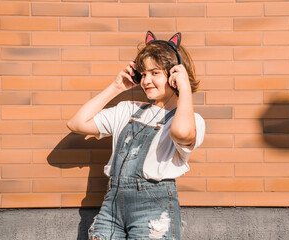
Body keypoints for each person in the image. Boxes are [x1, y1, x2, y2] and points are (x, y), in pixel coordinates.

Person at [67, 31, 205, 240]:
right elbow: (76, 123)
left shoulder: (190, 120)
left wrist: (184, 87)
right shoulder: (127, 110)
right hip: (112, 206)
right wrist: (116, 87)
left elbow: (181, 133)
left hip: (154, 210)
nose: (146, 80)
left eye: (155, 73)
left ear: (175, 74)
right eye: (144, 73)